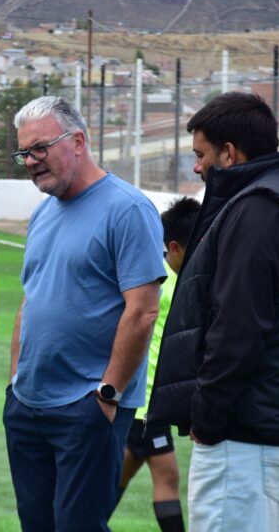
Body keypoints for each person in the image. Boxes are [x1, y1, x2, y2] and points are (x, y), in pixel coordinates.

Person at [147, 92, 279, 531]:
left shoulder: (257, 208)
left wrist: (208, 415)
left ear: (230, 152)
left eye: (201, 155)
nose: (197, 167)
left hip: (249, 438)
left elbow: (237, 325)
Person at [3, 96, 166, 532]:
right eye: (24, 152)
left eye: (41, 147)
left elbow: (143, 311)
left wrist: (107, 395)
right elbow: (31, 297)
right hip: (28, 405)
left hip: (88, 407)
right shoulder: (42, 214)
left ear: (78, 141)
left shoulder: (128, 209)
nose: (31, 161)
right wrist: (15, 382)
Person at [114, 197, 200, 532]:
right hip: (148, 401)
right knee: (166, 476)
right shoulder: (170, 281)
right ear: (174, 247)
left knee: (121, 473)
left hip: (144, 399)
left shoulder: (160, 275)